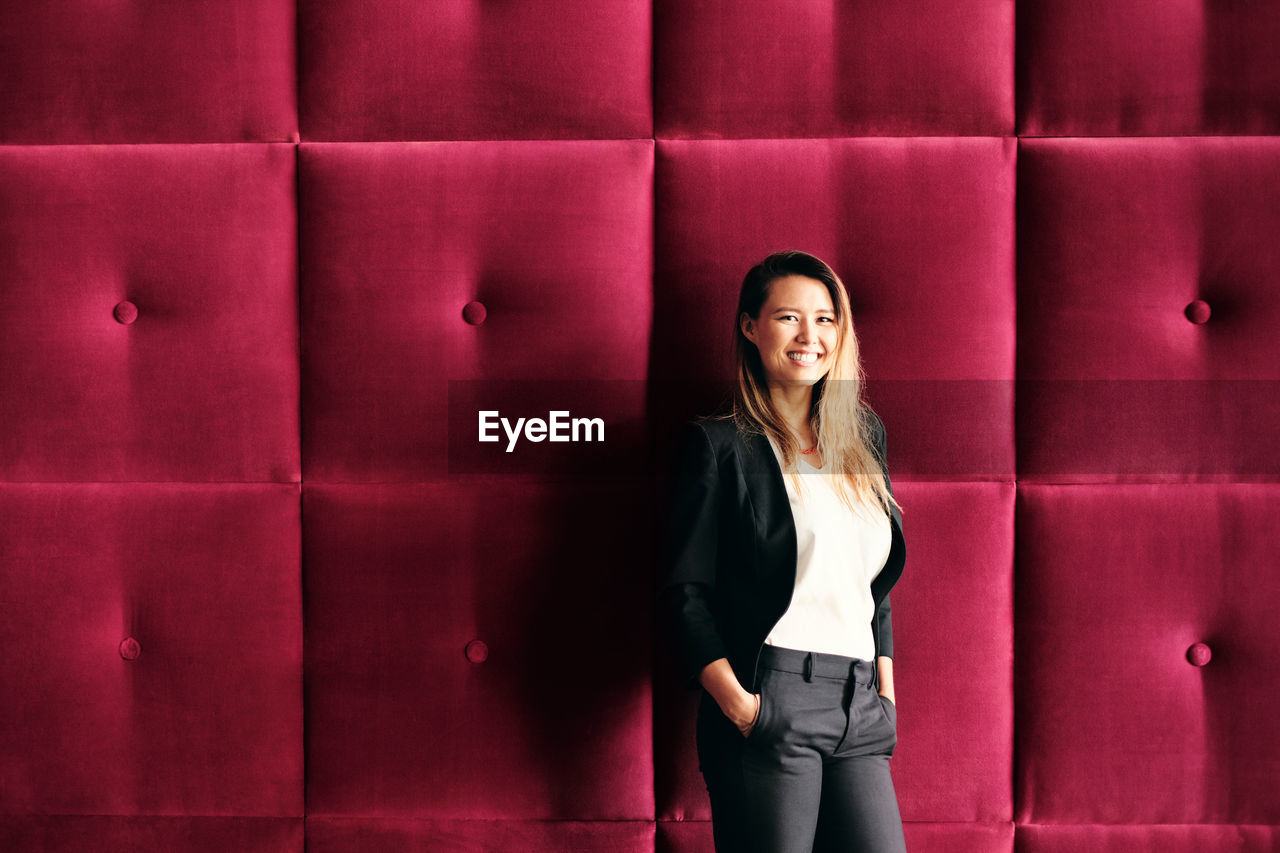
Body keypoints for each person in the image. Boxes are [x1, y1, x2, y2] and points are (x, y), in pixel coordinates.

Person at [658, 250, 908, 852]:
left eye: (825, 320)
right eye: (788, 317)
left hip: (860, 705)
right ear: (751, 327)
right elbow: (685, 594)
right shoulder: (718, 445)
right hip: (770, 696)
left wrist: (886, 694)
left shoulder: (864, 438)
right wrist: (744, 709)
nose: (809, 336)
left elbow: (871, 588)